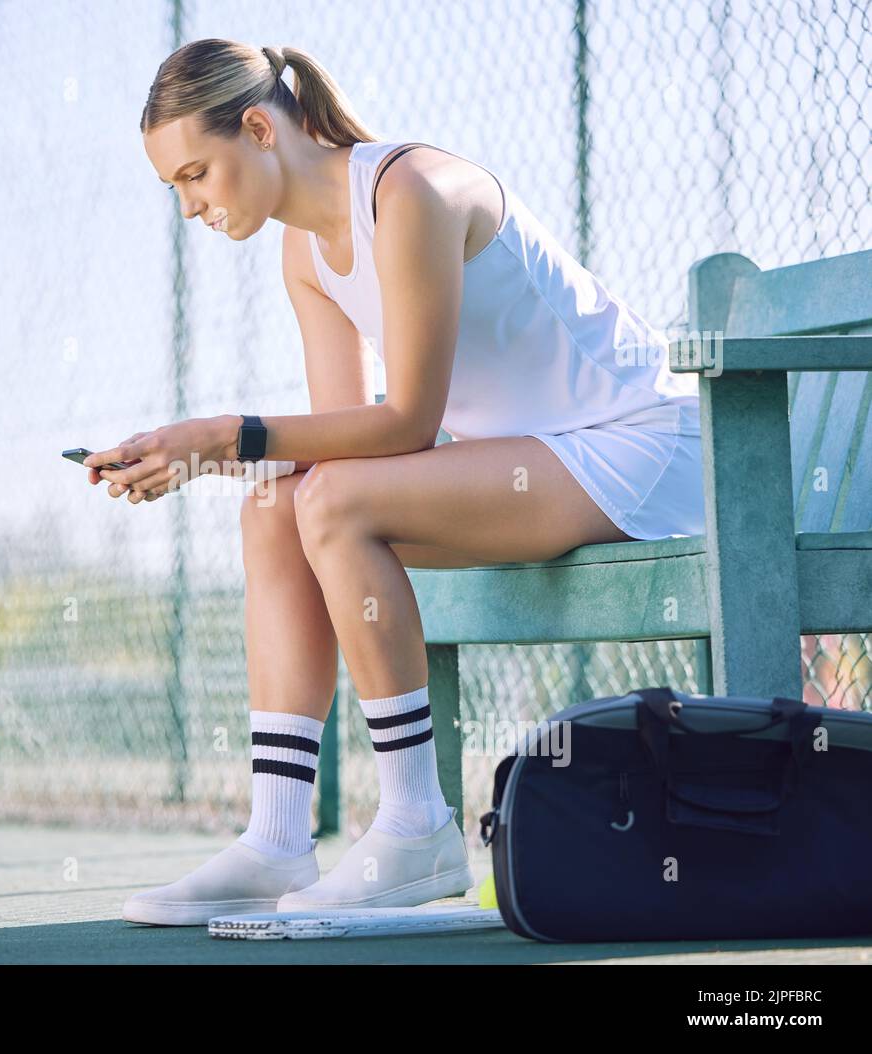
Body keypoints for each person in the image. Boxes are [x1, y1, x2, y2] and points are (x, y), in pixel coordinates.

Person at [88, 38, 703, 926]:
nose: (190, 206)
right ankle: (276, 838)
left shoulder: (408, 191)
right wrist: (195, 454)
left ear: (259, 128)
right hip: (537, 460)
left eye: (197, 175)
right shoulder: (303, 254)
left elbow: (408, 421)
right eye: (174, 187)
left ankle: (416, 823)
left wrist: (229, 430)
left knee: (330, 500)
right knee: (276, 504)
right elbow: (334, 443)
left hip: (639, 445)